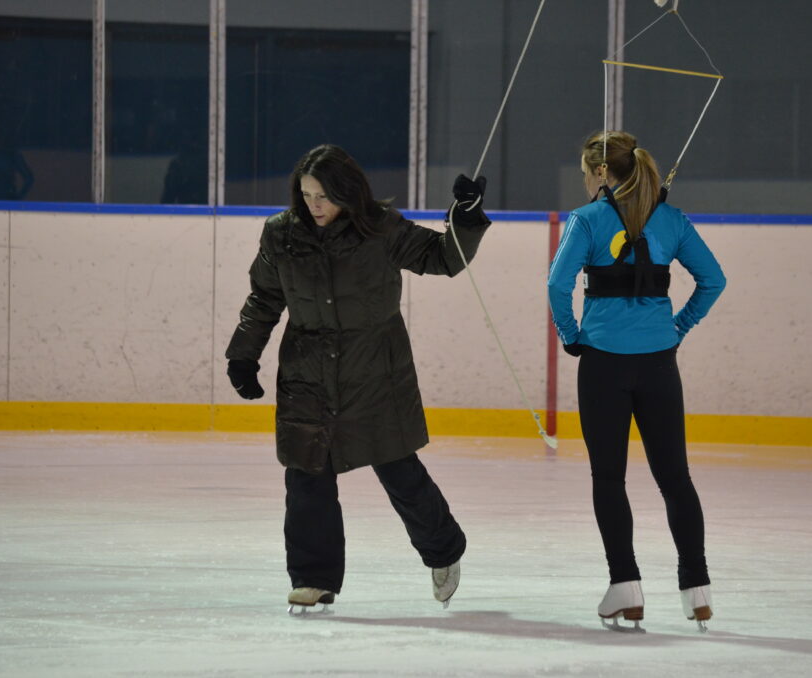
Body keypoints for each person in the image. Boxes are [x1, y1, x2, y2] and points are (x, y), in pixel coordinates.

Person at [225, 144, 490, 613]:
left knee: (399, 472)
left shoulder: (381, 229)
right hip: (308, 373)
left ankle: (444, 551)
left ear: (348, 192)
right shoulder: (281, 234)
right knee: (307, 478)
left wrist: (464, 218)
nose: (315, 205)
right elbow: (264, 299)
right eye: (306, 195)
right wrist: (243, 357)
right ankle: (313, 578)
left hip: (375, 371)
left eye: (323, 196)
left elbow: (444, 258)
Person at [547, 131, 725, 631]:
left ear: (603, 173)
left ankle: (625, 586)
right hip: (658, 365)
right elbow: (714, 280)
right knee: (676, 480)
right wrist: (678, 327)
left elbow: (558, 284)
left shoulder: (586, 219)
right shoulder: (671, 220)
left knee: (609, 479)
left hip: (603, 363)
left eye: (586, 172)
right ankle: (697, 589)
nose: (584, 182)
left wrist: (570, 334)